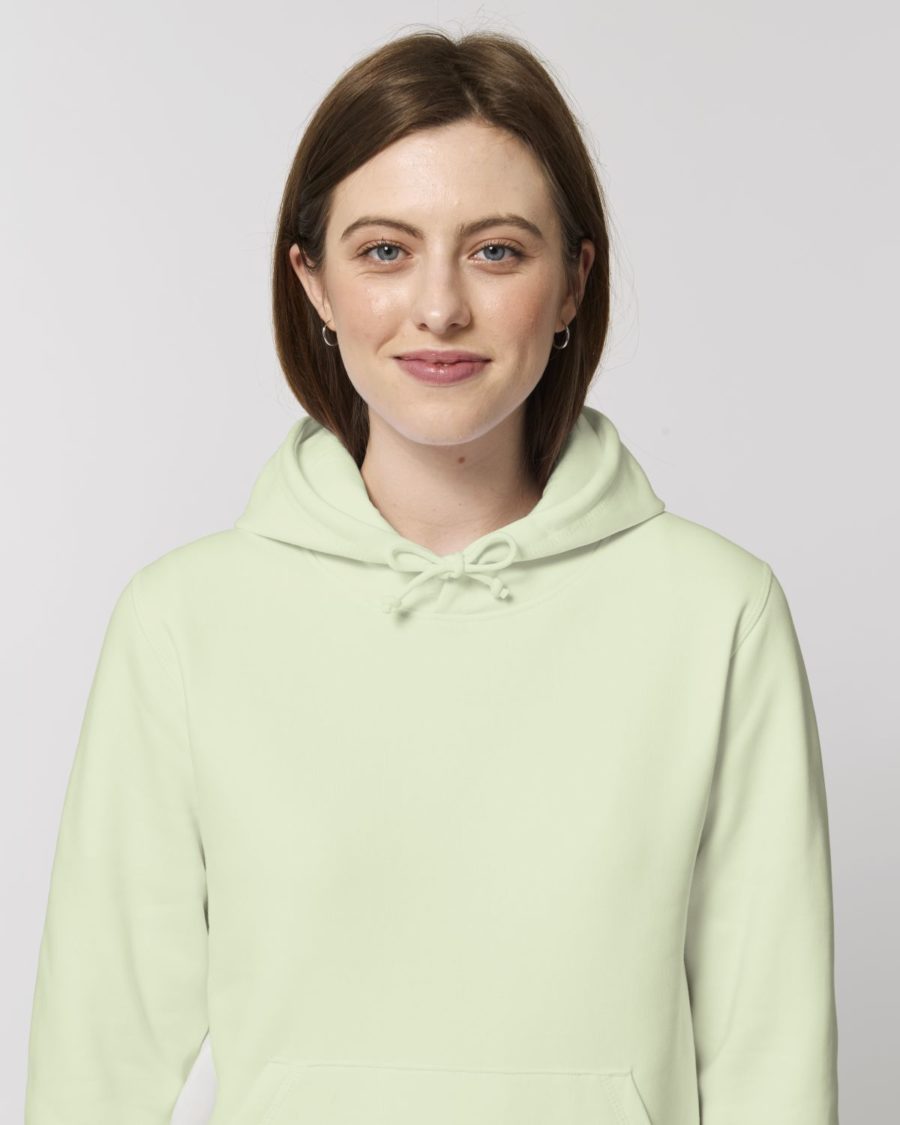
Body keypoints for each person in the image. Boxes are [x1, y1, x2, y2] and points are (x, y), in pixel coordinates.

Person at [24, 27, 839, 1125]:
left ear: (573, 283)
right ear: (312, 281)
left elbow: (771, 1063)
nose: (441, 306)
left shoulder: (717, 615)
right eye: (384, 251)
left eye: (497, 251)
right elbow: (94, 1065)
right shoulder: (182, 623)